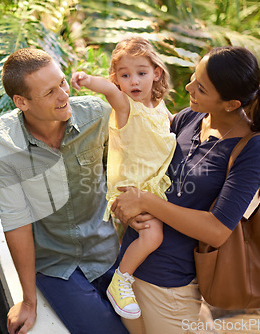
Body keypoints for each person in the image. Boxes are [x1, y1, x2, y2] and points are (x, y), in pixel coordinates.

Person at [109, 45, 260, 334]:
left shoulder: (253, 148)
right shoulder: (186, 119)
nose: (189, 86)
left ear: (230, 104)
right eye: (193, 76)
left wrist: (147, 202)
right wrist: (125, 207)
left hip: (171, 287)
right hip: (127, 275)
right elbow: (147, 173)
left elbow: (216, 229)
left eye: (200, 87)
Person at [0, 48, 128, 334]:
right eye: (50, 92)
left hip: (109, 252)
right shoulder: (2, 144)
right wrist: (28, 300)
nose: (64, 95)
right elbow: (16, 220)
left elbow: (122, 175)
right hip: (55, 266)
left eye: (62, 82)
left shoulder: (97, 116)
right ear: (21, 102)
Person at [71, 36, 176, 320]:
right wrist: (87, 79)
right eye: (125, 75)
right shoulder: (126, 107)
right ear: (116, 79)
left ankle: (126, 276)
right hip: (132, 187)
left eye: (141, 73)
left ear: (156, 73)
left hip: (153, 186)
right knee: (152, 235)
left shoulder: (161, 107)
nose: (134, 81)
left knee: (150, 234)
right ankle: (121, 281)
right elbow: (108, 91)